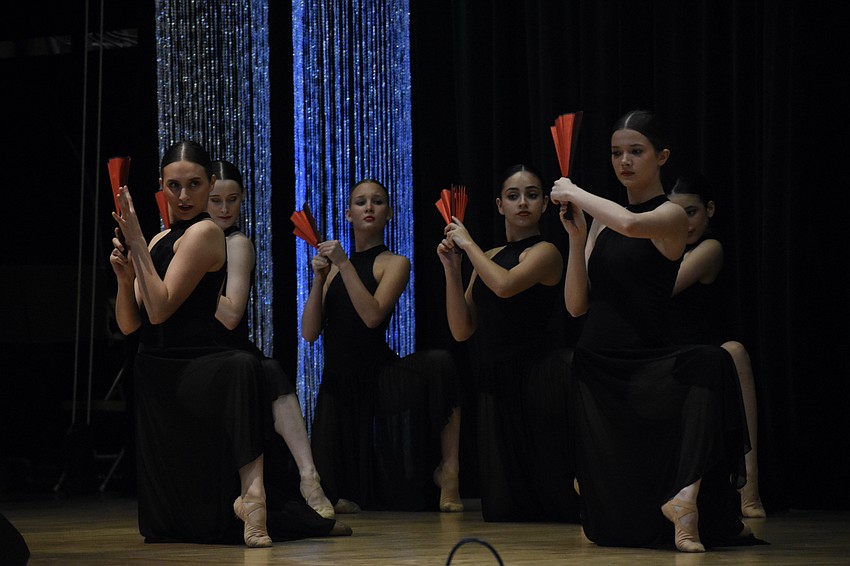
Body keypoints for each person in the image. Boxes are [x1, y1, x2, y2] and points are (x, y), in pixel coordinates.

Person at [551, 110, 753, 552]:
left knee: (713, 361)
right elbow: (576, 305)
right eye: (616, 153)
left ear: (661, 156)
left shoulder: (671, 215)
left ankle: (685, 499)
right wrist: (575, 237)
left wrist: (574, 191)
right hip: (598, 360)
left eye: (636, 151)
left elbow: (631, 225)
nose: (624, 161)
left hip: (644, 357)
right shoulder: (600, 220)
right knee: (610, 532)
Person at [111, 141, 272, 547]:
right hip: (155, 362)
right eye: (174, 186)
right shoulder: (158, 240)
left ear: (211, 183)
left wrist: (135, 238)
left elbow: (161, 308)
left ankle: (254, 500)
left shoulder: (206, 232)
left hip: (197, 360)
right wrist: (124, 278)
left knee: (243, 366)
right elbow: (130, 324)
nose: (183, 196)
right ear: (161, 186)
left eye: (194, 184)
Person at [302, 179, 464, 513]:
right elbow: (309, 332)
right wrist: (318, 279)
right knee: (329, 494)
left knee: (440, 363)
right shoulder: (332, 271)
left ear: (388, 213)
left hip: (379, 377)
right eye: (360, 202)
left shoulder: (395, 263)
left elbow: (372, 316)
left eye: (377, 202)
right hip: (338, 384)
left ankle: (450, 470)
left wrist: (344, 264)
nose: (369, 208)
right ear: (348, 214)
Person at [208, 160, 351, 534]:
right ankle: (306, 479)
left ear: (242, 199)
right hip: (197, 350)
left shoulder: (237, 243)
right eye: (216, 200)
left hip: (229, 346)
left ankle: (309, 476)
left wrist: (191, 280)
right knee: (267, 370)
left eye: (232, 199)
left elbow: (231, 317)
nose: (224, 208)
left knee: (270, 369)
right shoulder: (187, 239)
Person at [437, 164, 579, 522]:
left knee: (550, 501)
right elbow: (461, 329)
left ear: (544, 204)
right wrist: (452, 270)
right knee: (503, 509)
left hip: (538, 378)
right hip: (495, 381)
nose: (523, 203)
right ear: (500, 205)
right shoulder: (487, 257)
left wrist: (468, 244)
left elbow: (504, 285)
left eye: (532, 195)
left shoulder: (546, 251)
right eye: (513, 196)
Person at [667, 173, 765, 518]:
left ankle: (749, 489)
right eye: (675, 215)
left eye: (691, 213)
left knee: (734, 352)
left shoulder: (710, 248)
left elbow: (666, 286)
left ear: (709, 209)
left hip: (701, 348)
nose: (684, 224)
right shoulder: (662, 247)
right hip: (666, 351)